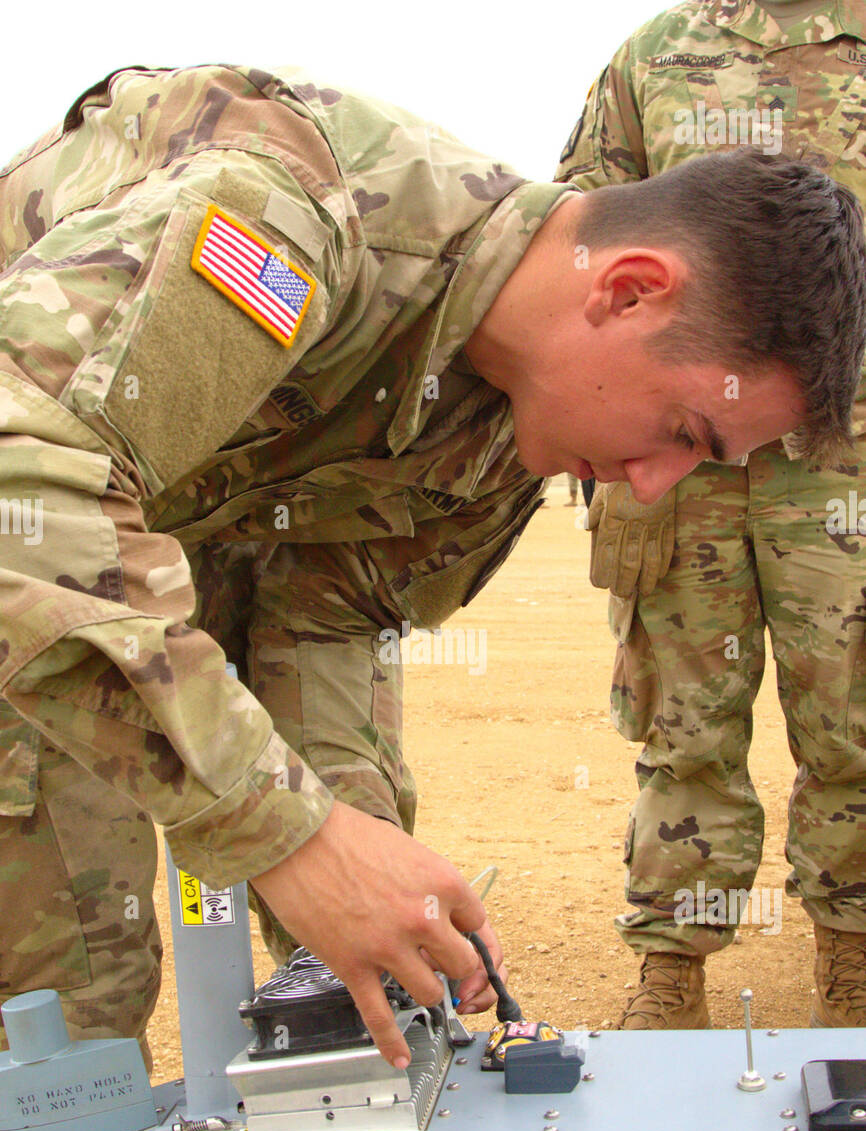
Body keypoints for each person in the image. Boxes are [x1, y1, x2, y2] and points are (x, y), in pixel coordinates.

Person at [0, 64, 862, 1070]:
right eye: (680, 429)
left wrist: (357, 859)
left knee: (343, 1016)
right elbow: (27, 489)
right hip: (42, 552)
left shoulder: (510, 428)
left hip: (99, 570)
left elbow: (319, 614)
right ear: (627, 291)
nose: (653, 483)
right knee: (58, 1019)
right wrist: (286, 834)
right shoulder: (288, 215)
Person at [556, 0, 866, 1028]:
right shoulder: (652, 56)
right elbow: (577, 243)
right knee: (681, 727)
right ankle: (672, 973)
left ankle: (854, 958)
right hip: (674, 457)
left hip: (844, 457)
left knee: (855, 724)